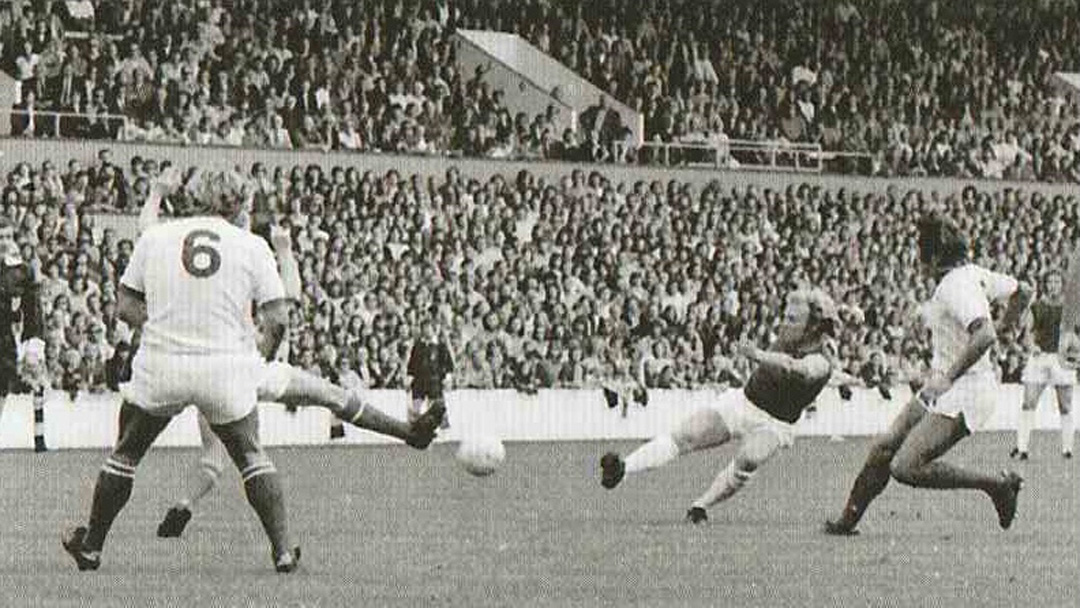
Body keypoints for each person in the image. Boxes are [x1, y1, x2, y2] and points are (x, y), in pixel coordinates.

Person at [129, 169, 444, 540]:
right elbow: (287, 298)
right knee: (321, 403)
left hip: (184, 362)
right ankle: (406, 432)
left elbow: (146, 233)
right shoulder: (243, 246)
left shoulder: (175, 242)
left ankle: (180, 508)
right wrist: (284, 251)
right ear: (236, 208)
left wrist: (155, 194)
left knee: (210, 457)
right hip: (237, 364)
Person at [62, 171, 304, 573]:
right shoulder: (251, 244)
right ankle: (281, 550)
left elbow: (125, 308)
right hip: (223, 368)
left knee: (126, 454)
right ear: (238, 203)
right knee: (249, 454)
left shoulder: (156, 237)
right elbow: (278, 318)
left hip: (163, 364)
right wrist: (257, 358)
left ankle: (92, 545)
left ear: (192, 198)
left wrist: (165, 327)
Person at [824, 214, 1032, 536]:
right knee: (884, 447)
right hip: (949, 384)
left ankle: (997, 485)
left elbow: (985, 335)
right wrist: (1007, 324)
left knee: (905, 466)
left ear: (934, 258)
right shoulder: (973, 274)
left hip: (969, 388)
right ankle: (846, 522)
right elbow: (1025, 291)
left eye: (921, 253)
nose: (918, 262)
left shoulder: (955, 286)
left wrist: (949, 375)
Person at [598, 288, 841, 523]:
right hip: (744, 402)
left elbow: (794, 367)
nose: (784, 323)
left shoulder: (822, 358)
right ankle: (622, 469)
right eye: (785, 316)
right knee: (687, 435)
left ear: (813, 326)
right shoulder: (793, 335)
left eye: (792, 319)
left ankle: (700, 506)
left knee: (750, 457)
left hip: (776, 424)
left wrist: (755, 354)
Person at [1013, 270, 1074, 460]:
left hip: (1062, 359)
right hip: (1040, 359)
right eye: (1050, 282)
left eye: (1057, 282)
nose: (1053, 285)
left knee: (1065, 406)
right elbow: (1028, 333)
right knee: (1028, 402)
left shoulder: (1069, 309)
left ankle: (1067, 449)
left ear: (1062, 285)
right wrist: (1032, 346)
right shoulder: (1037, 306)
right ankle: (1022, 448)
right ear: (1045, 284)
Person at [0, 216, 47, 452]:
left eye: (8, 237)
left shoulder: (22, 271)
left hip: (8, 334)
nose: (4, 242)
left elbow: (33, 309)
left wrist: (33, 342)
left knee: (3, 383)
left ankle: (39, 439)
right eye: (0, 237)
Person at [407, 317, 454, 429]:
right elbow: (412, 364)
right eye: (424, 328)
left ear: (434, 329)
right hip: (419, 381)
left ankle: (443, 428)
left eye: (429, 328)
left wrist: (447, 378)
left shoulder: (440, 346)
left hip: (434, 381)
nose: (426, 330)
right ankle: (415, 429)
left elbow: (448, 364)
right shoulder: (418, 346)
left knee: (437, 406)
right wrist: (409, 378)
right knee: (416, 407)